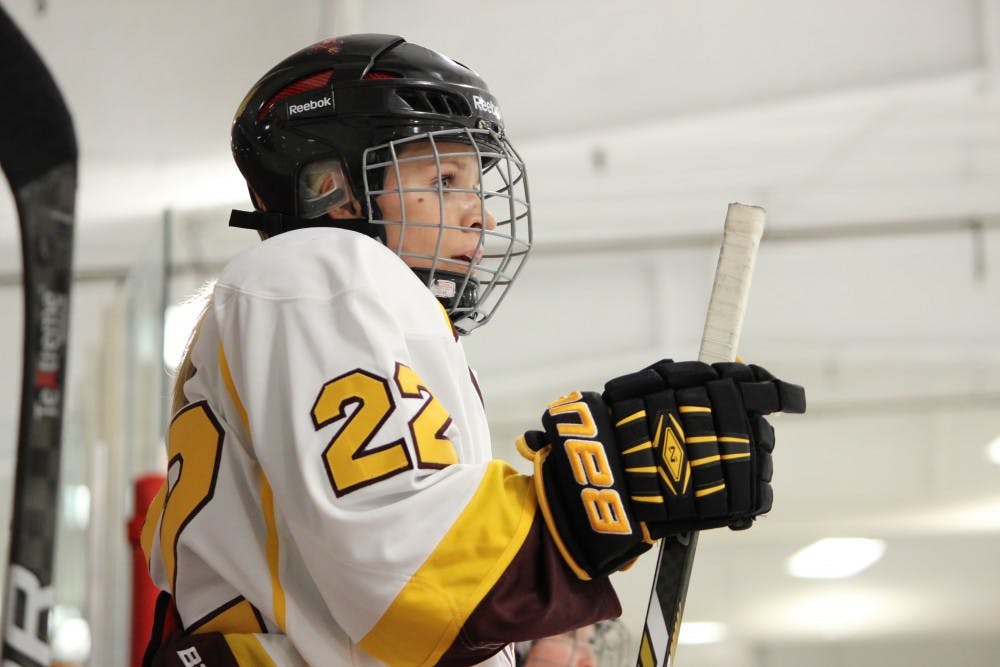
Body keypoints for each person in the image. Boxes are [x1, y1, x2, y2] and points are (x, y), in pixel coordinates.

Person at [140, 34, 805, 667]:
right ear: (331, 191)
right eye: (444, 179)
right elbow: (410, 569)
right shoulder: (312, 270)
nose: (478, 213)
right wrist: (605, 494)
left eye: (474, 182)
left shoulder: (364, 315)